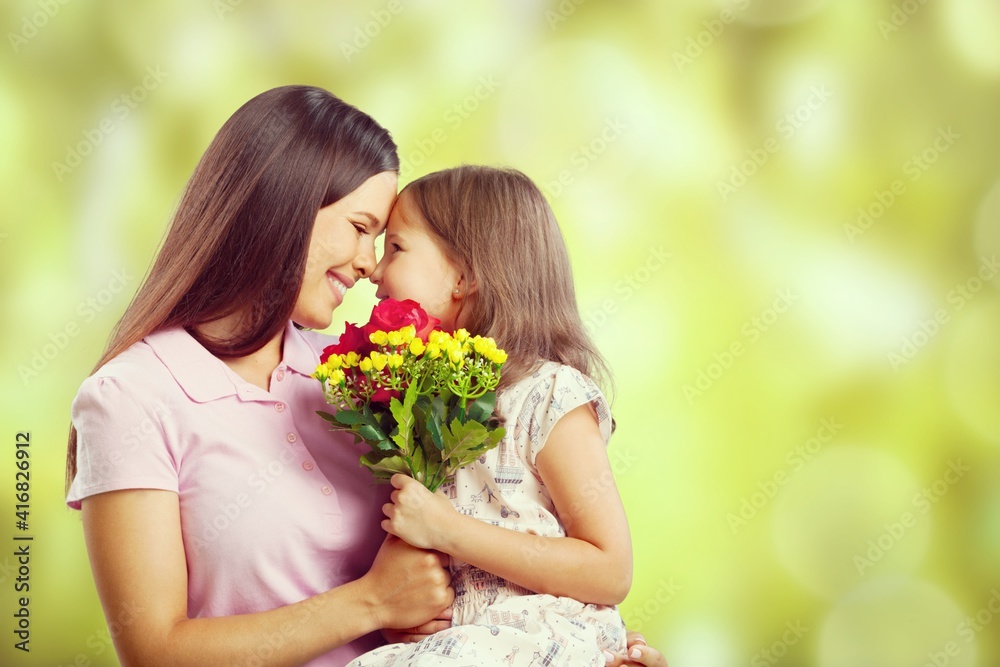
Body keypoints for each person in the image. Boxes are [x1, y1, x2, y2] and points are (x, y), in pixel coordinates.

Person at [64, 86, 665, 667]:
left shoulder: (368, 376)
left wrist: (591, 649)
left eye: (385, 242)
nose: (368, 264)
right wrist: (370, 602)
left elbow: (511, 546)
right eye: (359, 228)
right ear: (284, 206)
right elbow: (154, 653)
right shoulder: (130, 398)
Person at [350, 165, 648, 667]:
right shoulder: (423, 406)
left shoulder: (550, 394)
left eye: (396, 248)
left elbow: (610, 569)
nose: (376, 272)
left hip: (538, 644)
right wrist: (403, 622)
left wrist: (448, 531)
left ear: (464, 277)